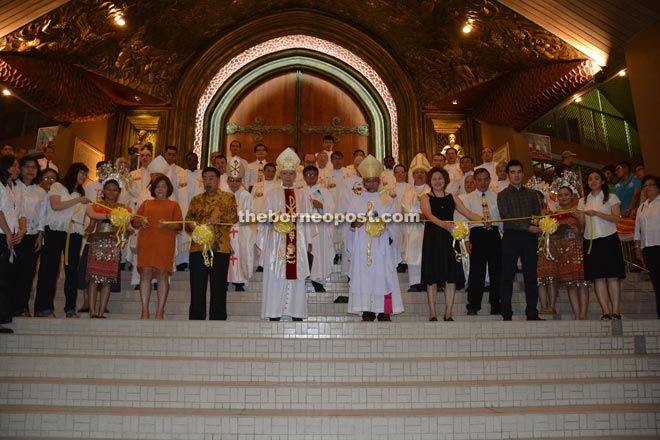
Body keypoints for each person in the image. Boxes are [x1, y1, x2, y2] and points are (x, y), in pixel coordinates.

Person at [420, 167, 481, 321]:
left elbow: (468, 213)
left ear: (445, 180)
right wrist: (446, 225)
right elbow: (428, 215)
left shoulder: (453, 197)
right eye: (434, 179)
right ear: (430, 181)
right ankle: (432, 313)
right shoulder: (425, 197)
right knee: (432, 277)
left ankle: (448, 313)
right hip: (433, 238)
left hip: (449, 239)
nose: (437, 181)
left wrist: (483, 219)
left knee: (451, 276)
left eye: (440, 178)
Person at [347, 155, 403, 321]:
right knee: (365, 277)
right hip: (362, 245)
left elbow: (393, 220)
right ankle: (367, 310)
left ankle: (384, 310)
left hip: (381, 245)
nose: (371, 184)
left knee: (383, 276)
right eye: (368, 181)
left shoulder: (386, 199)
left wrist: (383, 225)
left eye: (374, 180)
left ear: (379, 180)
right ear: (363, 182)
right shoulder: (356, 200)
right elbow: (350, 220)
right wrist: (354, 223)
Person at [260, 148, 314, 321]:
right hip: (277, 243)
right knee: (276, 275)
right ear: (280, 174)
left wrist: (309, 240)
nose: (288, 176)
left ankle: (296, 312)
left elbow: (308, 219)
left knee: (296, 275)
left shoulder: (303, 195)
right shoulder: (272, 194)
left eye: (291, 173)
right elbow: (264, 217)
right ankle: (275, 312)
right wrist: (274, 218)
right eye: (285, 173)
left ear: (295, 175)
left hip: (297, 242)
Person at [34, 163, 91, 318]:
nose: (84, 177)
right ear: (73, 172)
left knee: (72, 270)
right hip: (55, 230)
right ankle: (43, 307)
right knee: (49, 269)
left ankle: (70, 308)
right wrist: (78, 200)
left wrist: (111, 215)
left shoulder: (81, 192)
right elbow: (56, 206)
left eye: (86, 175)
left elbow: (90, 211)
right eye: (82, 173)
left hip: (74, 233)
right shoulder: (58, 186)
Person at [185, 167, 238, 320]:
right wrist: (192, 226)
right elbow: (188, 220)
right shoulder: (196, 199)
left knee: (219, 284)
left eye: (211, 178)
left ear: (218, 180)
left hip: (219, 247)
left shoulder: (228, 197)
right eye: (205, 178)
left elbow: (233, 218)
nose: (208, 182)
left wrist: (219, 221)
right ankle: (196, 317)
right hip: (198, 247)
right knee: (197, 284)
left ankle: (218, 317)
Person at [497, 160, 542, 321]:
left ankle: (532, 312)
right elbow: (507, 218)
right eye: (513, 172)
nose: (516, 175)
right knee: (507, 275)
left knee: (531, 275)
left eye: (518, 172)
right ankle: (506, 313)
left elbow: (537, 215)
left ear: (523, 174)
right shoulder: (502, 194)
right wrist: (528, 227)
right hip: (511, 236)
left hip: (530, 238)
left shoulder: (531, 194)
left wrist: (540, 226)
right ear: (508, 175)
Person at [132, 175, 183, 319]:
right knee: (145, 274)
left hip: (165, 243)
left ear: (168, 189)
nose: (160, 189)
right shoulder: (146, 203)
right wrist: (141, 223)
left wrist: (167, 224)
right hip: (147, 242)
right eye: (158, 186)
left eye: (163, 186)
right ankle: (144, 310)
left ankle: (160, 310)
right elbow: (134, 221)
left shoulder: (174, 205)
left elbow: (180, 225)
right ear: (153, 189)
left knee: (162, 274)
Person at [577, 170, 625, 320]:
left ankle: (616, 311)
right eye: (590, 179)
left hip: (609, 238)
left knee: (612, 276)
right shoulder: (582, 201)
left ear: (603, 181)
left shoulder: (611, 197)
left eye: (597, 178)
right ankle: (605, 311)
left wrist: (597, 213)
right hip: (591, 240)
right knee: (598, 278)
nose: (593, 181)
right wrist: (578, 217)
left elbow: (617, 218)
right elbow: (582, 224)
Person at [83, 178, 127, 319]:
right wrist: (88, 230)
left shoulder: (122, 208)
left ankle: (101, 312)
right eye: (109, 189)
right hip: (97, 243)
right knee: (93, 279)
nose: (111, 192)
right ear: (103, 191)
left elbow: (124, 228)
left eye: (114, 190)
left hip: (113, 245)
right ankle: (92, 312)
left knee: (108, 279)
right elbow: (92, 223)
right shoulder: (97, 205)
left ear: (119, 192)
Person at [462, 168, 502, 316]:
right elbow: (465, 220)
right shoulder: (468, 198)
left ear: (490, 179)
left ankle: (496, 304)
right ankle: (473, 304)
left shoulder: (497, 197)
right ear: (475, 181)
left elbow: (502, 219)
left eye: (486, 179)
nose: (483, 183)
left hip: (494, 234)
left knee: (496, 271)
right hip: (477, 235)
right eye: (479, 180)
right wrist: (466, 239)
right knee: (476, 271)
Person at [11, 156, 47, 317]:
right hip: (12, 233)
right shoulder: (12, 186)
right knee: (11, 271)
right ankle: (8, 305)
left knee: (28, 272)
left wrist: (40, 234)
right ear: (20, 168)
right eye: (27, 167)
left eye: (34, 167)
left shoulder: (40, 191)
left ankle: (22, 306)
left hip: (32, 235)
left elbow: (42, 215)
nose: (30, 170)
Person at [553, 184, 589, 320]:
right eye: (560, 195)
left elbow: (587, 229)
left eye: (566, 194)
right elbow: (552, 234)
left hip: (577, 246)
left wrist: (578, 230)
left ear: (572, 196)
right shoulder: (555, 214)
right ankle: (577, 315)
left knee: (582, 282)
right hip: (562, 249)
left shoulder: (579, 211)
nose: (563, 197)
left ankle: (583, 315)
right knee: (570, 284)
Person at [401, 153, 431, 292]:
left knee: (430, 253)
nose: (419, 175)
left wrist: (426, 216)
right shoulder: (408, 193)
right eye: (417, 172)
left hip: (429, 228)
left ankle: (430, 282)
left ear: (426, 175)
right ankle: (415, 282)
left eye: (422, 172)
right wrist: (417, 215)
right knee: (414, 253)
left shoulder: (431, 191)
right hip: (413, 228)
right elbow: (405, 208)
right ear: (412, 175)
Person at [303, 165, 335, 292]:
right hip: (304, 227)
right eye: (308, 175)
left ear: (318, 176)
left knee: (318, 253)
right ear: (304, 176)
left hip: (320, 229)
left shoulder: (324, 192)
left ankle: (317, 281)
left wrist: (321, 206)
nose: (311, 177)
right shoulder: (299, 191)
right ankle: (302, 278)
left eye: (314, 175)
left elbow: (332, 209)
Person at [226, 158, 255, 292]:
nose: (234, 183)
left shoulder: (246, 195)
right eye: (232, 180)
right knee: (226, 255)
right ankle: (225, 280)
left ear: (241, 181)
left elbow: (251, 214)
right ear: (227, 180)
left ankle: (240, 281)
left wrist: (240, 217)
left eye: (237, 180)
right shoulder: (223, 195)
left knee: (241, 254)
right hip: (226, 230)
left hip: (242, 230)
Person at [0, 155, 22, 333]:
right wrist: (8, 233)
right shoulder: (0, 185)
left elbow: (15, 212)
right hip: (2, 234)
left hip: (11, 235)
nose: (18, 169)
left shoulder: (13, 187)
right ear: (6, 167)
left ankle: (3, 316)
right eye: (15, 166)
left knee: (6, 278)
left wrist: (17, 232)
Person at [635, 175, 660, 319]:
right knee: (656, 281)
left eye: (651, 184)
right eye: (645, 185)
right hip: (649, 247)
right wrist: (638, 246)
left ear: (657, 187)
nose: (648, 188)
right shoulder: (642, 207)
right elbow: (637, 228)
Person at [533, 190, 559, 315]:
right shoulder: (529, 215)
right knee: (539, 279)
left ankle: (552, 305)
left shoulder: (550, 213)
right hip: (534, 248)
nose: (536, 200)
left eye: (538, 197)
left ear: (542, 199)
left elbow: (557, 230)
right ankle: (543, 306)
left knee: (551, 278)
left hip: (550, 247)